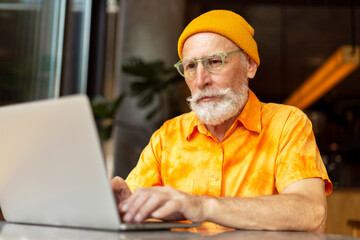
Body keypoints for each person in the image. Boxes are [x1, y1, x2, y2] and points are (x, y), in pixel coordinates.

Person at [111, 9, 332, 232]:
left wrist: (200, 205)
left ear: (250, 65)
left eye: (214, 61)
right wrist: (125, 206)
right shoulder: (167, 137)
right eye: (190, 66)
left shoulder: (286, 124)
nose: (200, 81)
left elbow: (310, 212)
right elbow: (139, 215)